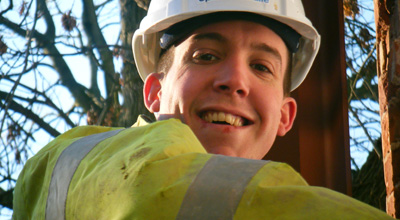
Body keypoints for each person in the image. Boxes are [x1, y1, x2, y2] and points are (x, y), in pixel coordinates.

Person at [13, 0, 394, 219]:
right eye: (206, 55)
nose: (234, 80)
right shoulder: (85, 161)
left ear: (285, 116)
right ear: (154, 92)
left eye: (261, 67)